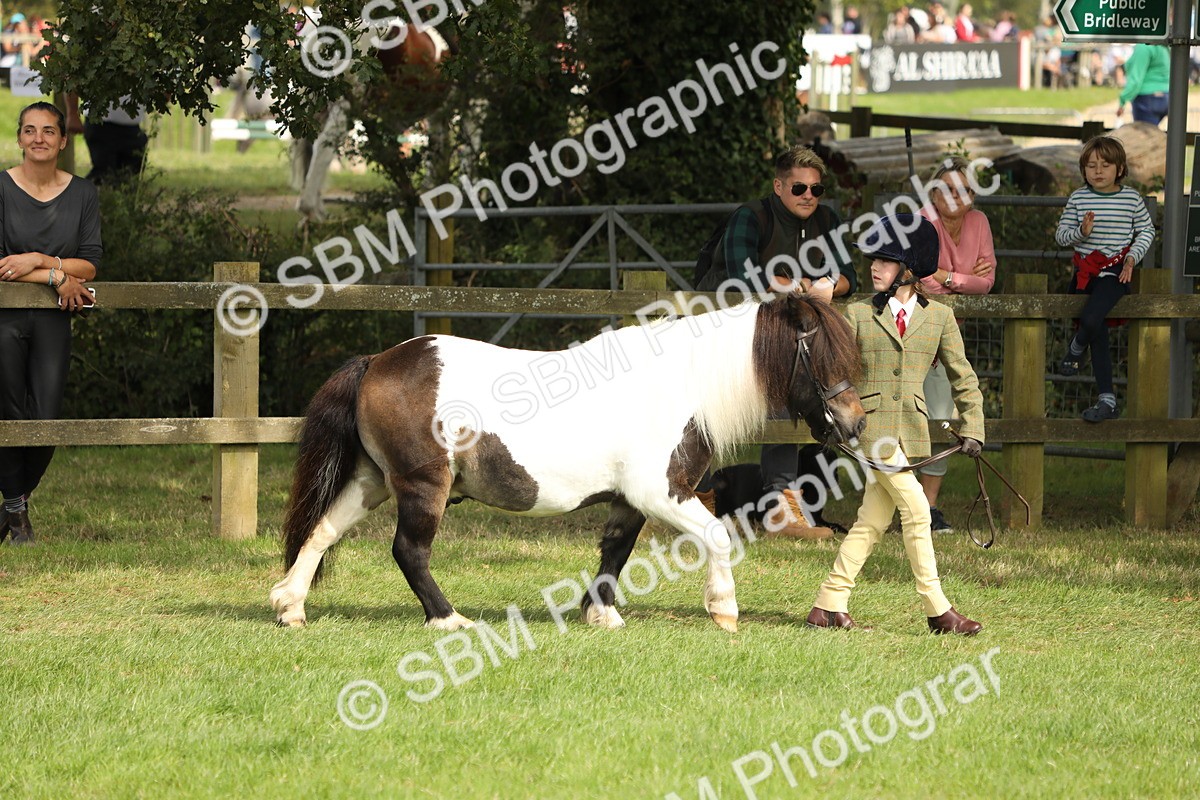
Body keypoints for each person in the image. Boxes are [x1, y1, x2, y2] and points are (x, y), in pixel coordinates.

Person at [807, 214, 986, 635]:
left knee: (872, 520)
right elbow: (833, 374)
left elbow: (964, 376)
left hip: (910, 430)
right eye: (874, 259)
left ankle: (829, 604)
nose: (874, 267)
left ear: (908, 271)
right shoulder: (855, 315)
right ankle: (938, 610)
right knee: (918, 509)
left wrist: (974, 426)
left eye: (885, 261)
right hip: (870, 431)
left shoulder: (940, 317)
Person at [697, 145, 858, 539]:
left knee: (804, 390)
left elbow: (850, 276)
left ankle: (780, 507)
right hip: (722, 327)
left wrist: (827, 288)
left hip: (787, 334)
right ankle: (696, 500)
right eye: (799, 187)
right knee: (702, 413)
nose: (808, 196)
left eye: (816, 190)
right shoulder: (751, 217)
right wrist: (792, 286)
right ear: (779, 186)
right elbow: (742, 275)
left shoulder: (828, 219)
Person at [0, 102, 102, 545]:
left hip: (56, 320)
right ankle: (17, 512)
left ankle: (11, 503)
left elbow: (92, 266)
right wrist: (59, 275)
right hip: (3, 318)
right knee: (8, 413)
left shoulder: (82, 193)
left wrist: (41, 261)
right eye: (29, 130)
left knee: (46, 417)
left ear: (63, 140)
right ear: (20, 138)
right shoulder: (1, 188)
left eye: (48, 130)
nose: (38, 137)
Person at [917, 157, 995, 533]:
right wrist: (962, 277)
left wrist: (947, 276)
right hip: (915, 332)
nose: (954, 195)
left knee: (943, 415)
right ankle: (906, 505)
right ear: (933, 191)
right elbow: (921, 279)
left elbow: (988, 281)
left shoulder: (979, 223)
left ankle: (928, 508)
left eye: (963, 188)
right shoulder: (922, 221)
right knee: (912, 418)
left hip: (951, 334)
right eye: (946, 187)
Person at [1054, 136, 1154, 423]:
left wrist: (1133, 257)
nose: (1098, 171)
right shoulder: (1078, 198)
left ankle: (1074, 348)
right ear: (1083, 169)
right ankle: (1107, 400)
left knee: (1090, 320)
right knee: (1097, 335)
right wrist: (1081, 233)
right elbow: (1061, 236)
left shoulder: (1131, 199)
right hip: (1085, 275)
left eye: (1105, 165)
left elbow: (1147, 231)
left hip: (1115, 273)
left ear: (1120, 168)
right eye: (1091, 165)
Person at [1117, 43, 1169, 125]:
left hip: (1146, 99)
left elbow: (1135, 80)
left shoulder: (1144, 46)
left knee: (1145, 136)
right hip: (1166, 97)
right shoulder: (1164, 46)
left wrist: (1122, 100)